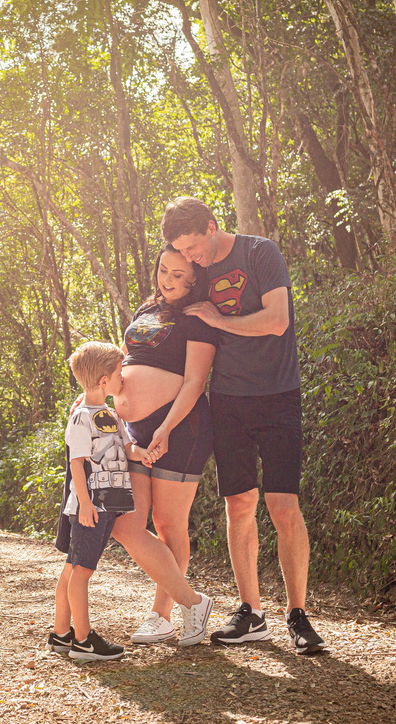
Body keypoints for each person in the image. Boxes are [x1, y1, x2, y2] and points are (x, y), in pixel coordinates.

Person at [162, 196, 328, 656]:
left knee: (282, 507)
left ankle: (297, 615)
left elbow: (277, 321)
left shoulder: (260, 253)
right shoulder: (196, 273)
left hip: (278, 397)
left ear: (213, 227)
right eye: (182, 250)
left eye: (194, 247)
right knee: (239, 505)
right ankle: (251, 613)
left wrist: (219, 318)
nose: (190, 257)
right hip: (229, 400)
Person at [48, 342, 214, 660]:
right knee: (79, 570)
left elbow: (128, 449)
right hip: (90, 505)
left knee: (75, 566)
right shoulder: (81, 418)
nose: (124, 378)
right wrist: (84, 503)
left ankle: (61, 635)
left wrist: (147, 452)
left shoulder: (110, 415)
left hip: (108, 504)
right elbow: (77, 465)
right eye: (119, 374)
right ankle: (82, 641)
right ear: (103, 381)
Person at [112, 244, 218, 644]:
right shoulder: (145, 311)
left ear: (195, 280)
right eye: (164, 271)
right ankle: (193, 602)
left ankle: (162, 615)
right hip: (136, 432)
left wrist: (167, 427)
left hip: (181, 427)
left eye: (178, 275)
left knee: (169, 524)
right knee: (126, 526)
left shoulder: (198, 318)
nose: (168, 280)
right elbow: (123, 364)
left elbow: (195, 381)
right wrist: (96, 396)